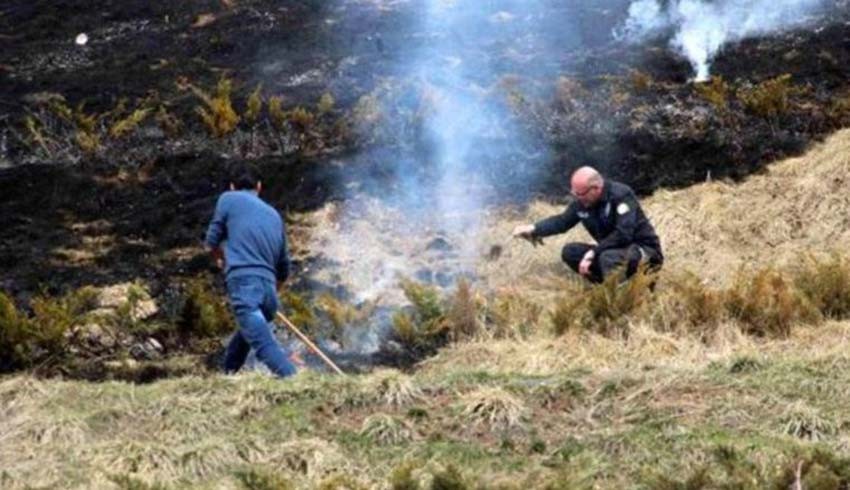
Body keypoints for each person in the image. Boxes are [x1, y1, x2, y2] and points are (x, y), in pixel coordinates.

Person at [204, 163, 298, 377]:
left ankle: (292, 378)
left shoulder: (228, 198)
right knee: (247, 333)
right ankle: (228, 374)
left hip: (245, 281)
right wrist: (272, 291)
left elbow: (211, 241)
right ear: (259, 186)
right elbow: (284, 266)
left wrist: (220, 259)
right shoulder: (274, 214)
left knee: (264, 345)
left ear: (231, 186)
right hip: (268, 289)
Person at [512, 166, 663, 283]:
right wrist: (534, 228)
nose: (577, 198)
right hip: (611, 252)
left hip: (644, 251)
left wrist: (594, 252)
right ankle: (605, 287)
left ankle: (620, 299)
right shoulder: (583, 202)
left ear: (596, 188)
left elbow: (624, 234)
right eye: (575, 193)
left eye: (580, 194)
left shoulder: (621, 195)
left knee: (608, 257)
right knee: (571, 251)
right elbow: (562, 222)